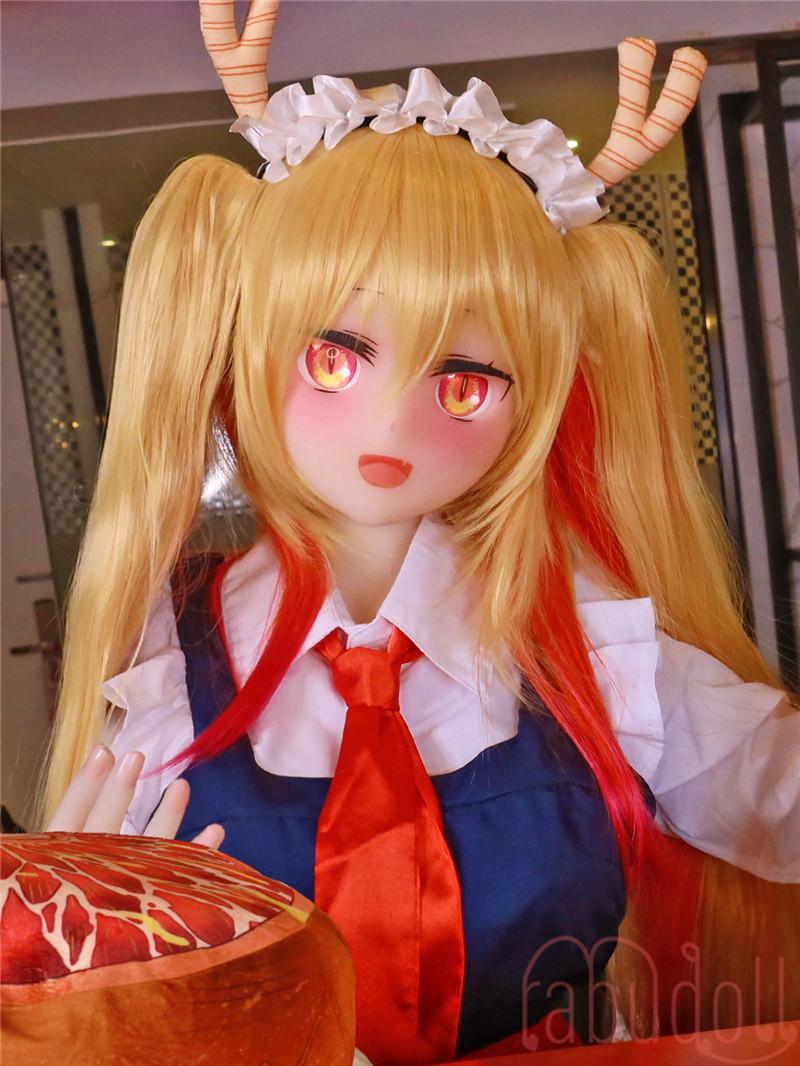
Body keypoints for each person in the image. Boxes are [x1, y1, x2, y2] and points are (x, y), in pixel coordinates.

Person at [41, 5, 800, 1063]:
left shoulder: (590, 653)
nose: (392, 425)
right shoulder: (164, 671)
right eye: (333, 359)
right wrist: (68, 937)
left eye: (464, 380)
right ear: (242, 355)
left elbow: (775, 792)